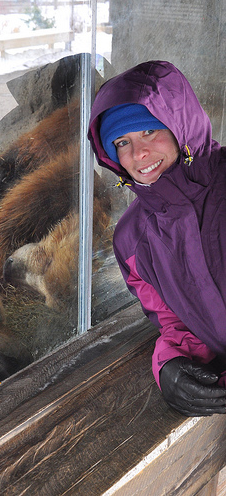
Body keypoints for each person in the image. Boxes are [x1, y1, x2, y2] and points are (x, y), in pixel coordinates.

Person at [88, 60, 226, 416]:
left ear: (181, 125)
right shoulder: (132, 240)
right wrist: (170, 363)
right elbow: (177, 321)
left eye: (150, 131)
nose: (138, 154)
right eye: (122, 142)